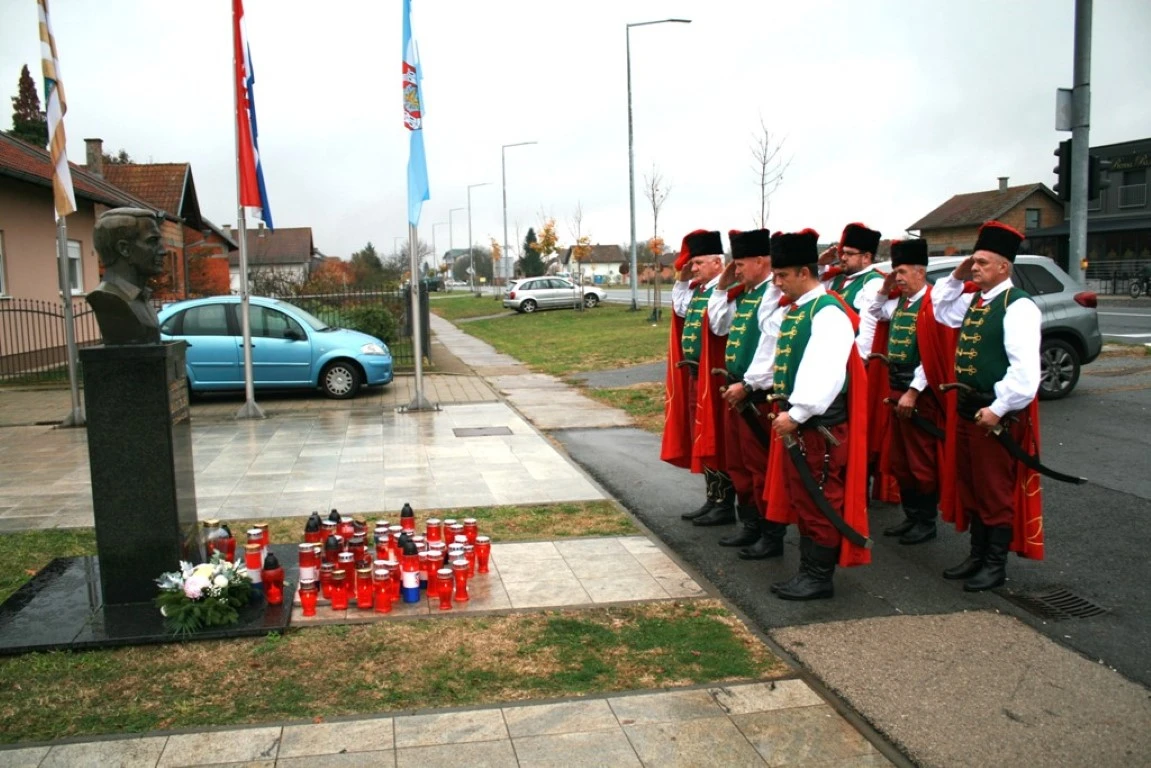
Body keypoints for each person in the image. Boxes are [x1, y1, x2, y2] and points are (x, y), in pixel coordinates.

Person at [932, 220, 1044, 591]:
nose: (974, 268)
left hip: (994, 414)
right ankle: (978, 554)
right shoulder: (977, 299)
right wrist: (957, 273)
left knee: (994, 489)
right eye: (973, 262)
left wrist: (998, 407)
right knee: (973, 485)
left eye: (981, 262)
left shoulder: (1018, 306)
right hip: (969, 409)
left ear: (1004, 268)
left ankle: (994, 565)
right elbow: (940, 310)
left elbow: (1026, 372)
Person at [765, 229, 870, 600]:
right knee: (805, 498)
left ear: (803, 273)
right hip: (801, 422)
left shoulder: (827, 312)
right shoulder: (800, 308)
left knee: (820, 498)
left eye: (782, 276)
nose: (776, 283)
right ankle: (809, 571)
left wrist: (798, 411)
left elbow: (824, 370)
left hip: (817, 426)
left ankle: (819, 577)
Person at [708, 229, 789, 558]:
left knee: (760, 467)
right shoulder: (745, 293)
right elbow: (717, 326)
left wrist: (750, 385)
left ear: (761, 261)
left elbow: (774, 349)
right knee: (740, 465)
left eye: (740, 264)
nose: (736, 269)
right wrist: (724, 284)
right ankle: (750, 524)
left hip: (758, 395)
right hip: (738, 389)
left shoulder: (775, 295)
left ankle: (771, 534)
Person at [866, 238, 953, 545]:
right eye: (895, 272)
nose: (898, 278)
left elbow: (932, 356)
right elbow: (875, 310)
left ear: (920, 272)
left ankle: (926, 521)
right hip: (896, 388)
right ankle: (911, 515)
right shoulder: (900, 303)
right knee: (901, 460)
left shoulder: (932, 305)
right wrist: (885, 284)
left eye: (902, 272)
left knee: (921, 461)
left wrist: (914, 392)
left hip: (919, 394)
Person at [819, 222, 899, 504]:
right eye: (843, 252)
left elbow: (867, 331)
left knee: (854, 430)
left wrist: (855, 365)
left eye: (850, 254)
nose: (843, 258)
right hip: (832, 364)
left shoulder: (873, 283)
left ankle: (856, 490)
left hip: (855, 367)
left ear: (867, 257)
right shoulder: (837, 280)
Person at [661, 230, 735, 526]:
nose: (693, 268)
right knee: (700, 433)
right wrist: (681, 273)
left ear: (718, 263)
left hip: (714, 376)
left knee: (714, 434)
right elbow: (679, 306)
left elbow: (719, 327)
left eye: (698, 263)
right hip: (695, 374)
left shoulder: (726, 291)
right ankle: (713, 496)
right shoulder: (699, 290)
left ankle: (725, 503)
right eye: (692, 264)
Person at [87, 208, 168, 345]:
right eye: (152, 241)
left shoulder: (141, 298)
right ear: (124, 249)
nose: (163, 251)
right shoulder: (108, 299)